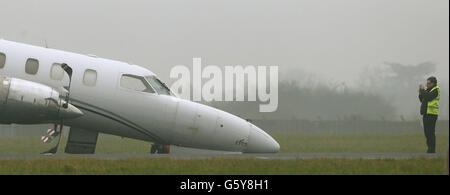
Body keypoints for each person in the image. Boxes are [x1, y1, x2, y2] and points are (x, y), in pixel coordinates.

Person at [418, 76, 440, 153]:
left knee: (430, 132)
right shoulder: (428, 90)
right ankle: (429, 148)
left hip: (432, 114)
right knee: (427, 132)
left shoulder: (435, 90)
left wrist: (423, 90)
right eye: (426, 83)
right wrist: (420, 92)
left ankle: (432, 149)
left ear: (433, 83)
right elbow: (422, 99)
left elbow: (428, 97)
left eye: (429, 83)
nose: (427, 85)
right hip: (426, 113)